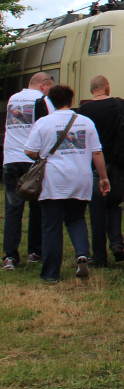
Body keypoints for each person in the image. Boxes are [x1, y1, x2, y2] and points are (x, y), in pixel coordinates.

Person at [23, 84, 109, 282]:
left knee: (51, 225)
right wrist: (103, 178)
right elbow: (97, 152)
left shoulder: (43, 122)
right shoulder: (86, 122)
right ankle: (82, 254)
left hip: (52, 180)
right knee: (76, 219)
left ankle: (50, 274)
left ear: (51, 102)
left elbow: (29, 150)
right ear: (71, 101)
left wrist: (42, 155)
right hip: (81, 178)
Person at [3, 72, 54, 270]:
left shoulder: (13, 99)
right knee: (37, 207)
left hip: (11, 160)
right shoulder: (43, 100)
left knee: (12, 209)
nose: (50, 92)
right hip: (32, 160)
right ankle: (35, 251)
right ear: (43, 85)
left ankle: (10, 256)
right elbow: (48, 128)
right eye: (49, 88)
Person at [77, 75, 124, 266]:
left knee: (97, 210)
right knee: (114, 205)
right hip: (117, 163)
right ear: (107, 86)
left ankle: (100, 257)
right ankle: (116, 244)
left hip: (94, 164)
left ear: (91, 90)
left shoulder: (84, 110)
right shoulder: (120, 105)